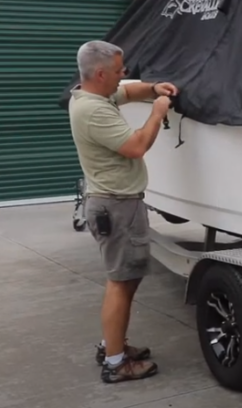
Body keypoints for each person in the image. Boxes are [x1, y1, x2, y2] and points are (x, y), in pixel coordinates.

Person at [67, 39, 177, 384]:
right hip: (116, 206)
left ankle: (113, 345)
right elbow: (136, 146)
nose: (124, 76)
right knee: (120, 282)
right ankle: (115, 362)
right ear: (100, 74)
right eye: (119, 71)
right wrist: (157, 110)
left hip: (114, 202)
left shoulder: (91, 94)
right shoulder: (93, 111)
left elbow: (127, 92)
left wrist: (153, 88)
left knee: (126, 280)